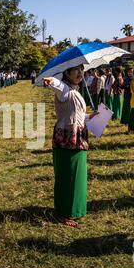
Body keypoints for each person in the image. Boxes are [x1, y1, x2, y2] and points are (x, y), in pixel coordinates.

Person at [43, 65, 98, 228]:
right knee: (68, 176)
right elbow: (55, 84)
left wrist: (92, 116)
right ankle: (64, 213)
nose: (80, 73)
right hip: (67, 138)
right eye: (76, 70)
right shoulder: (64, 89)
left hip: (79, 137)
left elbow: (79, 117)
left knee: (77, 175)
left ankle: (74, 209)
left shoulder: (76, 91)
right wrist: (51, 81)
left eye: (82, 70)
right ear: (67, 73)